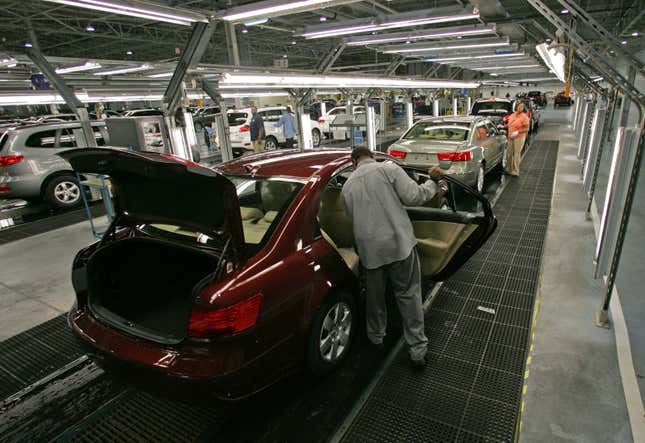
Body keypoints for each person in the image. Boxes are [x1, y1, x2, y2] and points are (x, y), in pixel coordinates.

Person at [342, 147, 444, 368]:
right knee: (408, 297)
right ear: (373, 156)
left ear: (353, 162)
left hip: (370, 253)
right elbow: (415, 197)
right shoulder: (388, 169)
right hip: (399, 246)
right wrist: (433, 182)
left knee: (375, 299)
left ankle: (376, 339)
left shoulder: (347, 187)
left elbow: (353, 220)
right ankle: (417, 352)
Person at [505, 101, 530, 176]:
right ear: (516, 107)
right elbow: (510, 124)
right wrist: (503, 126)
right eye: (519, 106)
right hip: (510, 136)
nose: (520, 108)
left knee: (516, 154)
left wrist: (518, 132)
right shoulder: (512, 115)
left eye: (522, 107)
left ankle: (516, 171)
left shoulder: (524, 117)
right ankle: (509, 169)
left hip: (519, 137)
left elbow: (527, 129)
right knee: (509, 153)